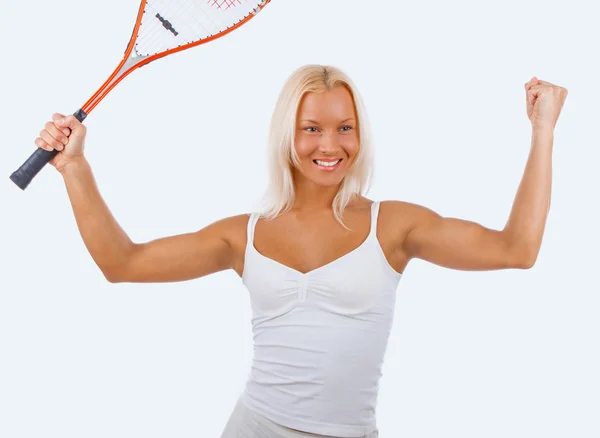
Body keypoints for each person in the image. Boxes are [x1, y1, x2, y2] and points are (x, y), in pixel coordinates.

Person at [35, 65, 567, 438]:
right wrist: (75, 169)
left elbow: (516, 249)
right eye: (311, 129)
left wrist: (542, 131)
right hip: (254, 427)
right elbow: (122, 263)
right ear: (287, 134)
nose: (329, 146)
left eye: (344, 128)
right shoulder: (241, 234)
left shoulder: (394, 225)